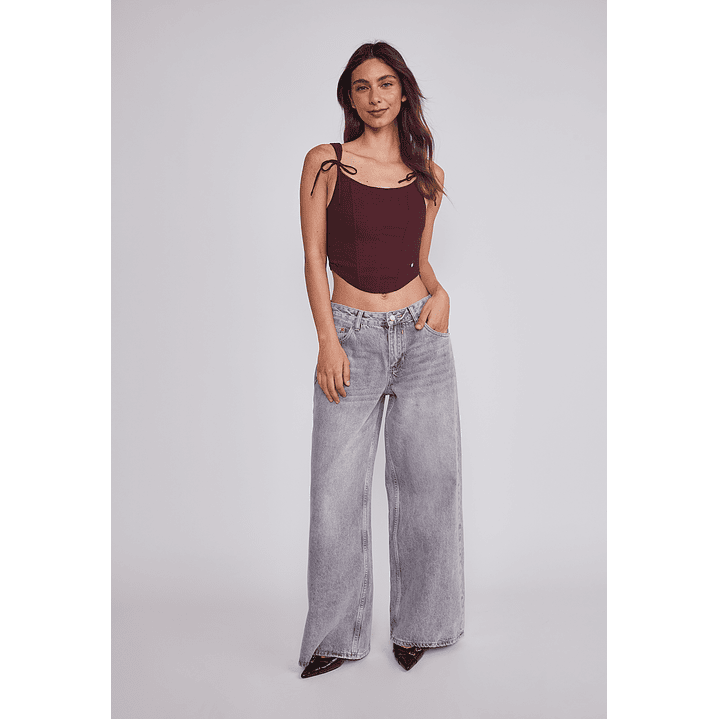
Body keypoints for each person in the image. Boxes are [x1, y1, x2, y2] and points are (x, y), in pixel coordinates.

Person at [297, 41, 464, 679]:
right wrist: (328, 340)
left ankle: (423, 626)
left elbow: (419, 260)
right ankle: (334, 638)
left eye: (386, 83)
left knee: (430, 485)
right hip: (352, 337)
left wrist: (441, 293)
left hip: (422, 337)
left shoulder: (429, 175)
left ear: (403, 91)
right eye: (362, 86)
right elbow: (314, 259)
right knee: (335, 493)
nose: (375, 96)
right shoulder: (325, 162)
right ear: (350, 95)